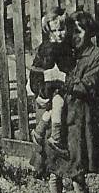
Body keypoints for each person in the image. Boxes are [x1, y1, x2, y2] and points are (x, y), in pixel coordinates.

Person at [38, 11, 99, 193]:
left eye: (80, 31)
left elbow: (89, 85)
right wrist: (42, 89)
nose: (74, 35)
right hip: (60, 116)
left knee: (77, 174)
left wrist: (60, 80)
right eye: (72, 31)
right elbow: (42, 78)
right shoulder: (63, 51)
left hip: (79, 118)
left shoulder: (97, 55)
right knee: (53, 168)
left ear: (89, 32)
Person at [29, 8, 74, 158]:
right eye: (53, 31)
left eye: (61, 30)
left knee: (51, 108)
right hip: (45, 82)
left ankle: (39, 131)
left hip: (47, 80)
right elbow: (51, 70)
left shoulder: (60, 44)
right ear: (48, 32)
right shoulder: (51, 47)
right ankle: (56, 137)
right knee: (58, 102)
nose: (58, 34)